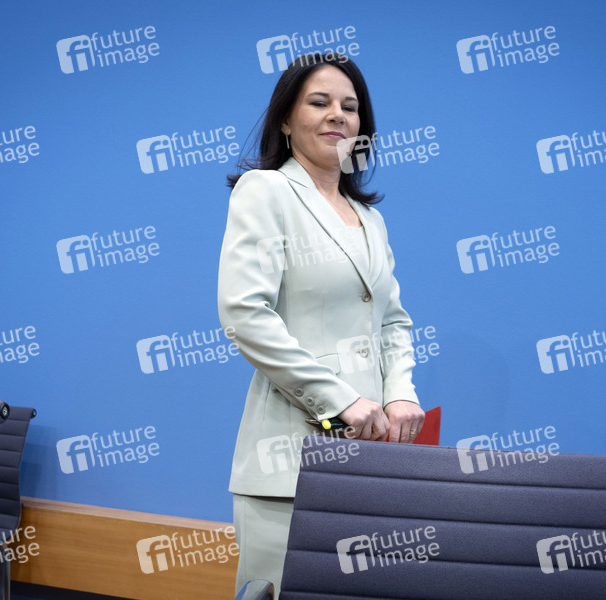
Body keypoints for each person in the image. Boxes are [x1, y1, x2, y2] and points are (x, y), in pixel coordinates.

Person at [217, 52, 424, 598]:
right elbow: (245, 315)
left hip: (372, 460)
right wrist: (340, 400)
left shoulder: (372, 220)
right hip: (288, 462)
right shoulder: (265, 191)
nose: (338, 115)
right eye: (319, 102)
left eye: (350, 107)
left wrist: (401, 393)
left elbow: (393, 322)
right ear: (286, 120)